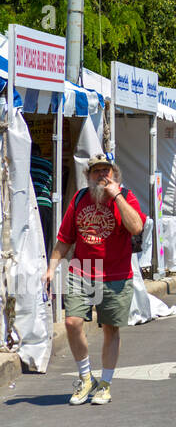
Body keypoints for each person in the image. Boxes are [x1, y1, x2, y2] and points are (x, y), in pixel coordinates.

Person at [45, 153, 145, 405]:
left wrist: (117, 196)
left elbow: (136, 227)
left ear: (114, 174)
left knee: (111, 329)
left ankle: (106, 383)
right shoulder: (79, 199)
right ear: (87, 176)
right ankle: (85, 377)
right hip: (83, 269)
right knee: (72, 322)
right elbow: (65, 238)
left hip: (116, 274)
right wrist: (51, 267)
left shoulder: (126, 197)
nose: (101, 175)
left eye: (106, 171)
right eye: (96, 171)